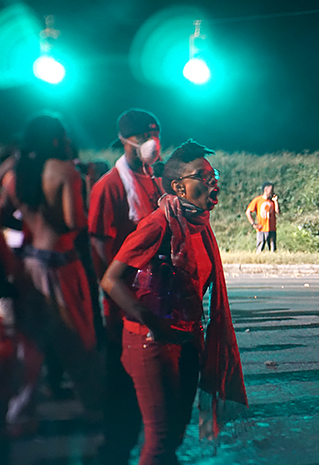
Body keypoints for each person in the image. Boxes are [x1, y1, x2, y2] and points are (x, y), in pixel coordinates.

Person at [101, 140, 247, 465]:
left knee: (175, 436)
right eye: (203, 175)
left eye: (214, 174)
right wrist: (150, 321)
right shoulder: (158, 224)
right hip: (151, 343)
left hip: (188, 339)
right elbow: (111, 279)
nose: (213, 181)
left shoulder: (200, 224)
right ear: (179, 187)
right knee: (160, 438)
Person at [1, 113, 104, 420]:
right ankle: (96, 409)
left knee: (30, 343)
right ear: (58, 139)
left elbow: (2, 214)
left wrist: (27, 222)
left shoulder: (13, 173)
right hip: (61, 265)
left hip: (27, 264)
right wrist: (88, 185)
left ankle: (21, 407)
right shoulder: (65, 172)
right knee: (78, 340)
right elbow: (75, 223)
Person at [88, 108, 164, 465]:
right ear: (125, 139)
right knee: (122, 388)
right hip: (122, 308)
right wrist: (120, 300)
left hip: (154, 303)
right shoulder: (109, 187)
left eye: (156, 133)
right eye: (146, 134)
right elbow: (101, 256)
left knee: (152, 393)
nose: (153, 142)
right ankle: (113, 452)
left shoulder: (156, 181)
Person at [246, 181, 280, 252]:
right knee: (260, 248)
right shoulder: (257, 200)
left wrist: (276, 201)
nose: (272, 191)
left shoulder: (272, 201)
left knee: (273, 249)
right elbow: (248, 212)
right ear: (266, 190)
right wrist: (253, 224)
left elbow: (278, 212)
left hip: (271, 228)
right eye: (271, 190)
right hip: (261, 228)